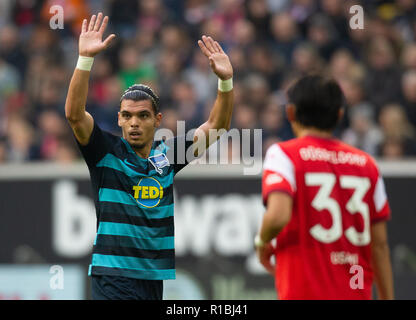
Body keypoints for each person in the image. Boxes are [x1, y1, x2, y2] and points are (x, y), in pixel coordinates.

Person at [64, 13, 234, 300]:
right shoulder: (104, 151)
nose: (134, 123)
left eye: (143, 116)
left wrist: (226, 82)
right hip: (113, 276)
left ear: (157, 120)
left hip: (153, 278)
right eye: (127, 116)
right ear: (118, 119)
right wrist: (84, 60)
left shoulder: (168, 155)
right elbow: (74, 114)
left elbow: (217, 127)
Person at [255, 75, 394, 300]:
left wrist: (261, 241)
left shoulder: (283, 154)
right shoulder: (367, 164)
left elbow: (278, 216)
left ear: (290, 113)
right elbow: (379, 246)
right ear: (339, 115)